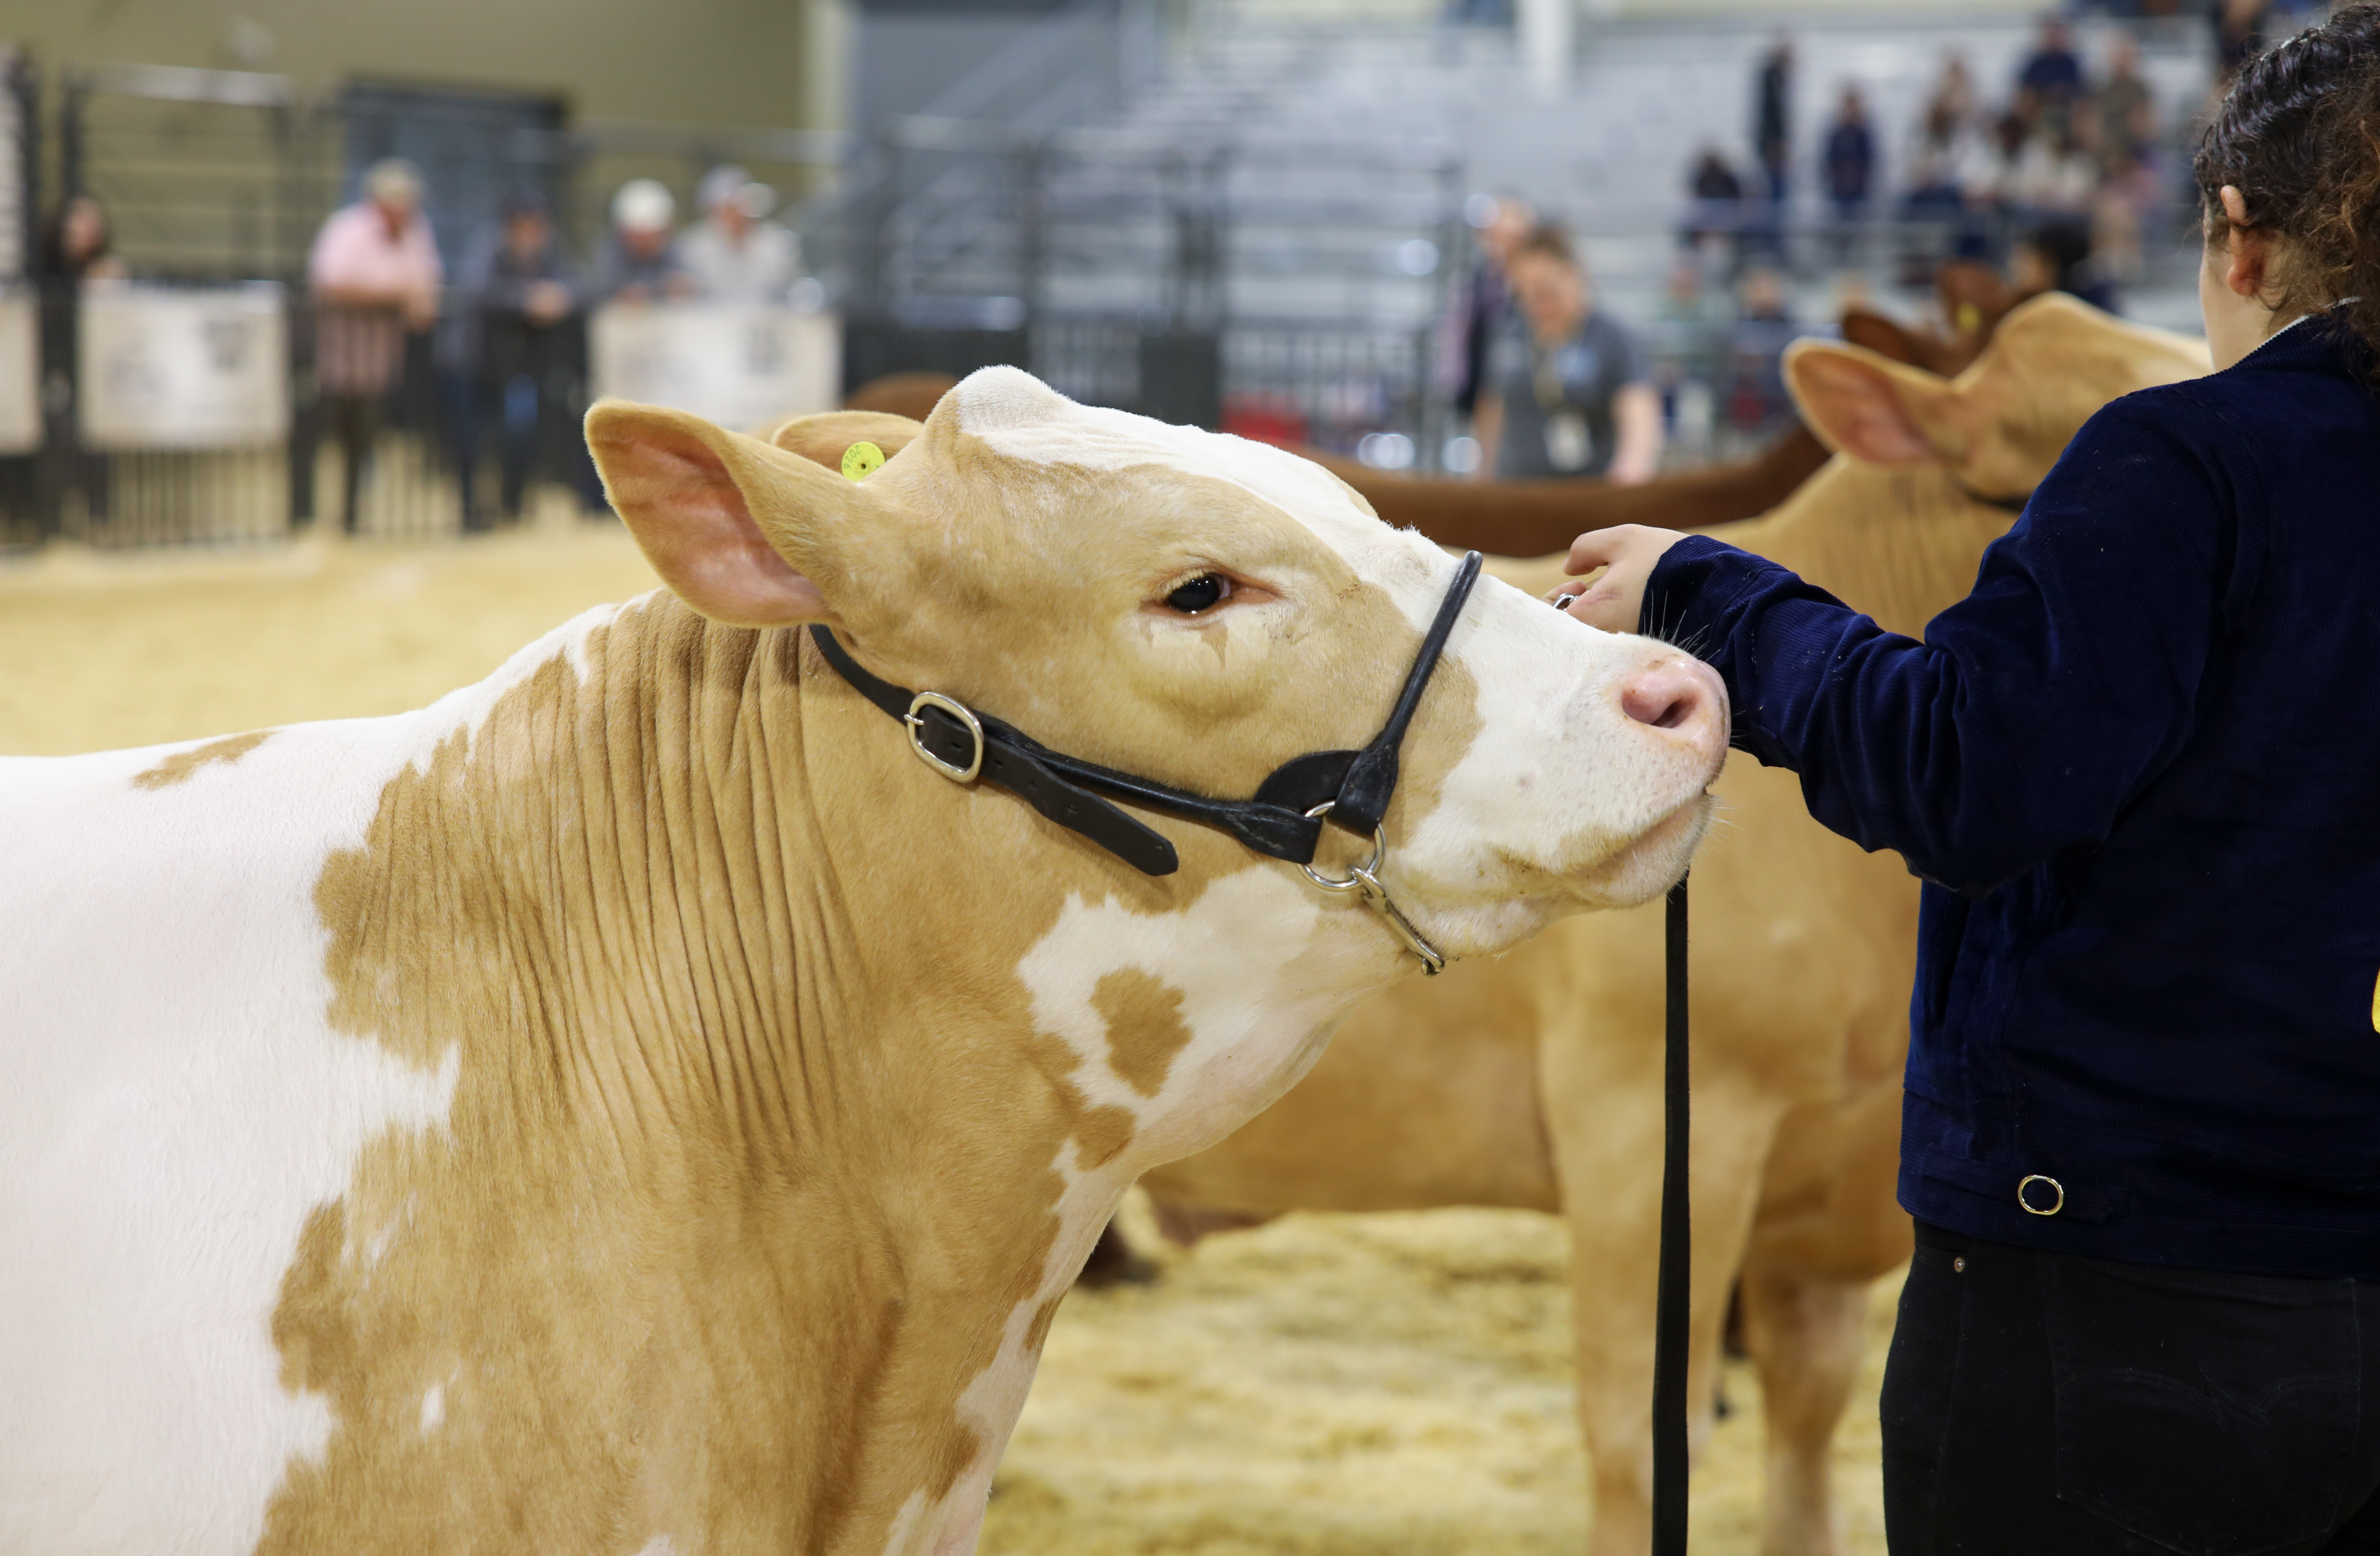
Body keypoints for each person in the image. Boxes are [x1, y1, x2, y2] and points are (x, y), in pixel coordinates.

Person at [1554, 8, 2380, 1546]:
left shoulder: (2186, 464)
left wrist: (1722, 602)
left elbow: (1970, 775)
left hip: (2125, 1279)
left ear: (2239, 241)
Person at [309, 159, 442, 535]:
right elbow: (331, 278)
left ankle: (352, 517)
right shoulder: (348, 229)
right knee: (330, 435)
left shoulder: (416, 232)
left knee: (367, 438)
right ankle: (318, 515)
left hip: (381, 361)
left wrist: (398, 295)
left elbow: (426, 291)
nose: (406, 208)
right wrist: (394, 294)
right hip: (338, 357)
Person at [1472, 223, 1661, 484]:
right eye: (1528, 294)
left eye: (1549, 292)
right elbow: (1492, 406)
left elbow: (1639, 415)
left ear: (1575, 276)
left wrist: (1627, 480)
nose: (1540, 305)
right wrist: (1484, 475)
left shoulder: (1613, 338)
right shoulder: (1507, 334)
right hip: (1516, 491)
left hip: (1589, 494)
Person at [444, 191, 584, 530]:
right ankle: (471, 513)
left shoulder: (549, 253)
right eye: (525, 226)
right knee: (470, 441)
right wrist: (527, 300)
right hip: (471, 363)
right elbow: (477, 292)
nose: (532, 234)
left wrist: (560, 297)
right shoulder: (488, 249)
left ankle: (512, 509)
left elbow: (581, 283)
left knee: (521, 434)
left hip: (516, 367)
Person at [1442, 194, 1532, 419]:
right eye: (1495, 236)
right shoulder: (1475, 282)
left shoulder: (1536, 287)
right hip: (1483, 387)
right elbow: (1458, 337)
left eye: (1513, 238)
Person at [676, 165, 804, 305]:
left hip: (767, 318)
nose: (735, 214)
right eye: (727, 207)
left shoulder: (777, 241)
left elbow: (794, 288)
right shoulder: (693, 244)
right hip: (709, 321)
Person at [589, 179, 693, 304]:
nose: (647, 243)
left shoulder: (674, 250)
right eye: (639, 237)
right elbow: (599, 288)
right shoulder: (609, 253)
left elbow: (687, 282)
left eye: (653, 236)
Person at [1822, 86, 1877, 258]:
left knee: (1857, 229)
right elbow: (1828, 160)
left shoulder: (1863, 133)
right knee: (1839, 230)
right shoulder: (1837, 133)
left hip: (1858, 189)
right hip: (1839, 188)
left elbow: (1871, 160)